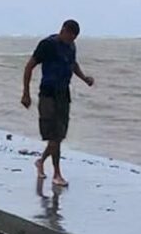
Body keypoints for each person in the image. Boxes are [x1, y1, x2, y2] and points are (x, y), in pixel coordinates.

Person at [21, 19, 95, 186]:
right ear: (63, 30)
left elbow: (73, 64)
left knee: (59, 137)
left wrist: (84, 78)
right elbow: (29, 67)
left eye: (74, 38)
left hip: (63, 95)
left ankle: (41, 162)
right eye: (70, 36)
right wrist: (26, 93)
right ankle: (57, 173)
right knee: (54, 136)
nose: (72, 41)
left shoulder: (71, 47)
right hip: (48, 94)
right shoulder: (47, 44)